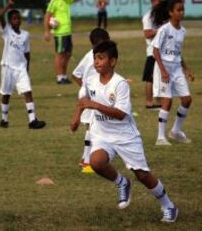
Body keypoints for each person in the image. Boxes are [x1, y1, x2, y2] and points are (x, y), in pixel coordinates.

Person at [70, 40, 178, 223]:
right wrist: (77, 116)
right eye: (95, 58)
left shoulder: (120, 84)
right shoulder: (90, 79)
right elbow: (84, 98)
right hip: (102, 133)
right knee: (95, 162)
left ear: (112, 61)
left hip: (125, 136)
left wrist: (94, 105)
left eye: (101, 58)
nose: (96, 62)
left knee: (142, 175)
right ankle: (122, 182)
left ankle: (168, 205)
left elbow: (120, 114)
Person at [0, 0, 46, 129]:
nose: (17, 20)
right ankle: (4, 119)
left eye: (19, 18)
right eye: (14, 18)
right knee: (6, 94)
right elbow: (0, 15)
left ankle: (32, 120)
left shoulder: (25, 34)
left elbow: (27, 53)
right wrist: (9, 4)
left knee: (28, 92)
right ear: (10, 21)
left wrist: (27, 69)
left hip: (21, 68)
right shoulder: (7, 31)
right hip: (8, 67)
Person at [152, 0, 194, 146]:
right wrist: (163, 70)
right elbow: (155, 50)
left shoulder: (182, 31)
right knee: (167, 101)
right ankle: (160, 137)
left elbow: (177, 52)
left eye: (183, 9)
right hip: (164, 68)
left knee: (187, 100)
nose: (181, 12)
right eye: (178, 10)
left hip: (176, 68)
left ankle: (175, 131)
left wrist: (186, 69)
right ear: (171, 12)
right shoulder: (164, 29)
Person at [71, 28, 110, 173]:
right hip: (89, 96)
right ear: (94, 45)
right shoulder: (91, 57)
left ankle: (88, 158)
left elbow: (76, 74)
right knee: (91, 126)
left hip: (95, 94)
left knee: (95, 126)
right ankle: (87, 161)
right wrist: (85, 87)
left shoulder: (103, 57)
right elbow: (75, 75)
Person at [44, 0, 83, 85]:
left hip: (67, 32)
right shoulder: (54, 1)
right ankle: (59, 77)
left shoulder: (67, 0)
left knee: (68, 54)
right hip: (59, 33)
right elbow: (47, 16)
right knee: (60, 55)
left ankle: (64, 76)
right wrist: (47, 31)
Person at [142, 0, 163, 109]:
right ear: (153, 2)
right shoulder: (148, 16)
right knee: (150, 78)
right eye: (159, 1)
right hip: (152, 52)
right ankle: (149, 103)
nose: (161, 3)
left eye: (162, 1)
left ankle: (159, 102)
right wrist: (161, 30)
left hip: (162, 51)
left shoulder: (163, 15)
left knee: (159, 77)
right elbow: (147, 33)